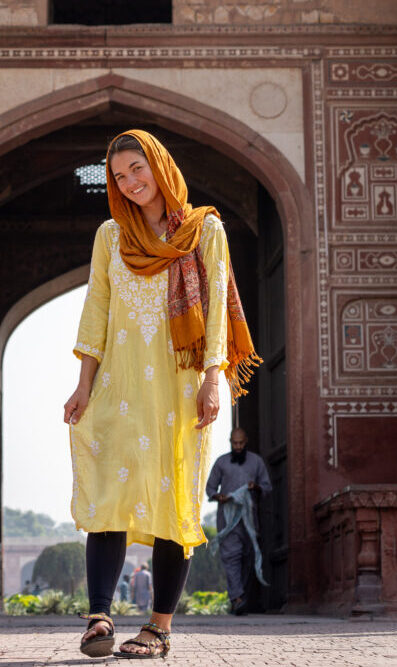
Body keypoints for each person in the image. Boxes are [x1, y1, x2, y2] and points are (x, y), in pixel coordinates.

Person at [63, 130, 260, 658]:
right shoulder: (111, 236)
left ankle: (158, 628)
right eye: (119, 177)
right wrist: (83, 385)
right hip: (118, 385)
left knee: (176, 498)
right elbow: (96, 311)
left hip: (180, 385)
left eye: (137, 169)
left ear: (160, 166)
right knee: (108, 495)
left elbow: (216, 310)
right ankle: (100, 617)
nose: (130, 183)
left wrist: (213, 379)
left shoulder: (205, 230)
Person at [205, 427, 272, 615]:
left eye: (241, 443)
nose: (238, 446)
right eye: (235, 443)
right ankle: (237, 598)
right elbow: (210, 488)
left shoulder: (256, 462)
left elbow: (267, 487)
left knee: (248, 557)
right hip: (227, 519)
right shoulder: (221, 463)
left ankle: (240, 597)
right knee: (231, 556)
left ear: (246, 441)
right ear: (230, 442)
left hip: (249, 518)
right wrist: (221, 497)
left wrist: (255, 487)